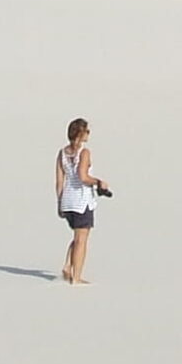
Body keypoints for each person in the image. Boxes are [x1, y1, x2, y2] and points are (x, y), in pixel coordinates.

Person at [55, 117, 107, 284]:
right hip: (81, 200)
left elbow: (59, 181)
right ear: (80, 134)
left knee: (78, 236)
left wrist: (59, 202)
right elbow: (83, 177)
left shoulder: (62, 153)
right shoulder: (84, 153)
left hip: (67, 200)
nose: (88, 135)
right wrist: (98, 182)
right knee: (82, 239)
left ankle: (67, 265)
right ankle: (76, 276)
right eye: (86, 131)